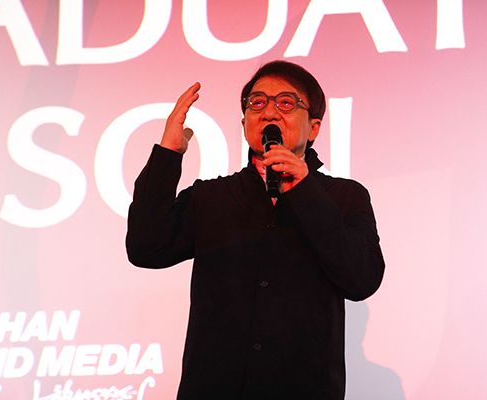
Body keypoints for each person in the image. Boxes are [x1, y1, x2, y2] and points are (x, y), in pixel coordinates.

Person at [126, 60, 385, 399]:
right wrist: (168, 154)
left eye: (287, 103)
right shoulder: (211, 197)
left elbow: (362, 279)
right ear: (245, 124)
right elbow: (146, 247)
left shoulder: (344, 197)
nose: (270, 112)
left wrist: (305, 192)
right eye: (257, 103)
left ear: (314, 128)